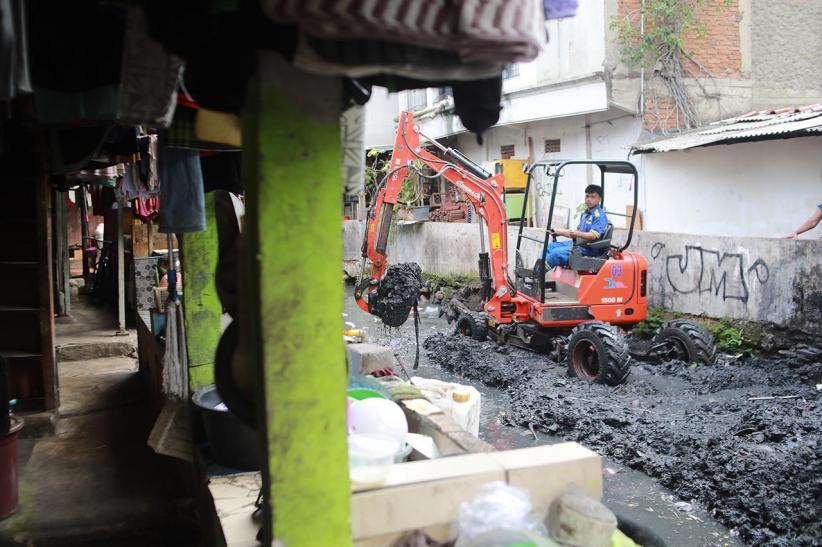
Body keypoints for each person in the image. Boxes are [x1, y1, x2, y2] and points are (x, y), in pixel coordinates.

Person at [545, 184, 608, 268]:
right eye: (587, 196)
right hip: (579, 244)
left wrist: (577, 234)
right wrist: (558, 232)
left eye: (593, 197)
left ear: (599, 199)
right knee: (550, 247)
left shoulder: (599, 216)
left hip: (588, 249)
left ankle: (539, 273)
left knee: (556, 253)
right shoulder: (585, 214)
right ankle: (538, 268)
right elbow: (576, 233)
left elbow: (593, 236)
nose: (589, 199)